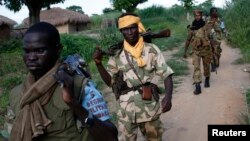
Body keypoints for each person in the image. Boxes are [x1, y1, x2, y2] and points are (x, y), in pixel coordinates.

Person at [2, 22, 118, 141]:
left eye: (40, 50)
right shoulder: (17, 94)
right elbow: (10, 133)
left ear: (58, 50)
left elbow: (110, 136)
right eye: (27, 51)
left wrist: (73, 103)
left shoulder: (81, 86)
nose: (31, 57)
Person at [93, 13, 174, 141]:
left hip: (149, 108)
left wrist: (168, 97)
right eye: (125, 29)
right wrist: (98, 64)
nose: (129, 32)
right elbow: (110, 82)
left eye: (132, 28)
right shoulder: (117, 54)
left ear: (138, 28)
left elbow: (166, 74)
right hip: (126, 111)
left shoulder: (151, 49)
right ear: (121, 31)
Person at [183, 10, 213, 95]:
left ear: (201, 16)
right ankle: (197, 86)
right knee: (196, 67)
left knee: (206, 65)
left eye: (199, 15)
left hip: (206, 50)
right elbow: (188, 40)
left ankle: (207, 78)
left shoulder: (206, 26)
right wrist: (185, 51)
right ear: (194, 16)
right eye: (196, 16)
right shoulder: (192, 27)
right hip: (196, 51)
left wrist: (213, 49)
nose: (197, 17)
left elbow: (211, 38)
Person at [206, 7, 223, 71]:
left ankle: (217, 59)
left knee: (217, 51)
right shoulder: (207, 20)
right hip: (210, 37)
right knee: (211, 51)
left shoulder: (219, 20)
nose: (215, 13)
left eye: (216, 11)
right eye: (213, 11)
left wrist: (226, 33)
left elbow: (222, 28)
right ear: (211, 13)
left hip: (218, 38)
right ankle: (212, 65)